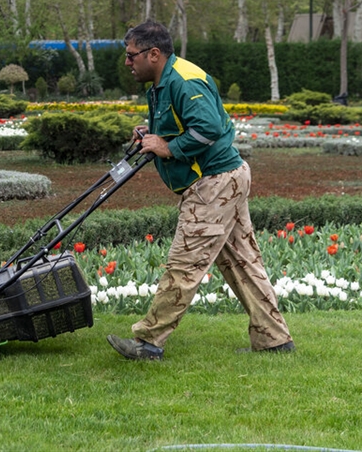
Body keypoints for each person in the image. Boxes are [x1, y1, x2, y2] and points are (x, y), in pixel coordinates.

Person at [107, 20, 294, 361]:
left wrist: (169, 148)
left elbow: (208, 128)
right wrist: (154, 132)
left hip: (214, 183)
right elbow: (186, 122)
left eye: (131, 56)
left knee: (184, 263)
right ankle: (274, 339)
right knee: (242, 262)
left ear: (153, 54)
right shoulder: (164, 81)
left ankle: (148, 342)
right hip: (224, 180)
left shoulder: (184, 79)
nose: (127, 63)